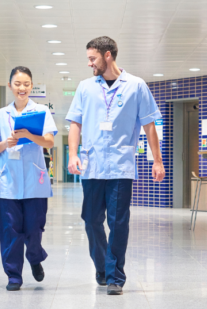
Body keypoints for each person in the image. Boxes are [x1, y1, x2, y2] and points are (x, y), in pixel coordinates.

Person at [66, 36, 165, 295]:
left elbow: (149, 125)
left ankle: (115, 276)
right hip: (92, 165)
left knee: (118, 222)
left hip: (121, 166)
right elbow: (75, 123)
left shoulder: (136, 86)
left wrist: (157, 160)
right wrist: (72, 154)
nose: (89, 64)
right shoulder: (85, 87)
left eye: (92, 58)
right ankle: (102, 266)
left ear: (107, 55)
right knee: (90, 220)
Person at [0, 66, 57, 291]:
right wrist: (4, 144)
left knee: (34, 229)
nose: (22, 88)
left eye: (26, 84)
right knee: (10, 230)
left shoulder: (41, 111)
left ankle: (35, 258)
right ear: (10, 86)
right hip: (8, 182)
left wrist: (29, 136)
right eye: (17, 84)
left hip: (34, 181)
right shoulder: (0, 115)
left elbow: (49, 142)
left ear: (31, 86)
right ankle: (14, 275)